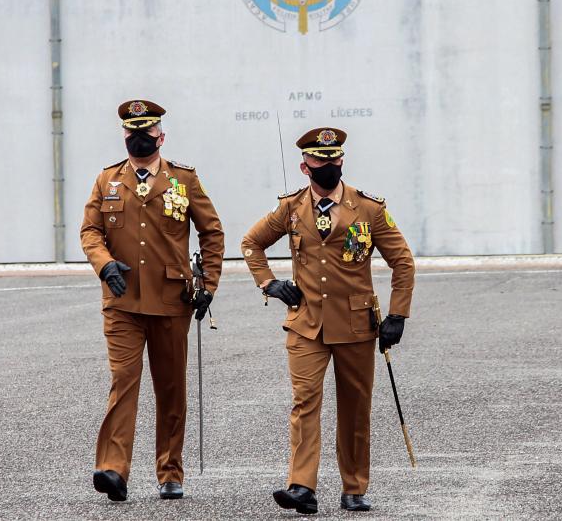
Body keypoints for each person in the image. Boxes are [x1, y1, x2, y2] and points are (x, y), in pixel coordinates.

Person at [240, 127, 415, 514]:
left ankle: (354, 487)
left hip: (355, 325)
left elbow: (402, 261)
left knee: (355, 408)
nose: (329, 165)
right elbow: (251, 243)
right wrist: (269, 283)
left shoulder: (368, 208)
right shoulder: (290, 208)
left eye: (335, 158)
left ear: (342, 160)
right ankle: (302, 486)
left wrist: (398, 314)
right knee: (304, 403)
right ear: (305, 167)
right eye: (320, 160)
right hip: (306, 323)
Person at [80, 99, 224, 501]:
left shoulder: (184, 180)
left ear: (161, 136)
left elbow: (212, 232)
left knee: (171, 388)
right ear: (124, 136)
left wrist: (208, 283)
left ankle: (170, 471)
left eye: (147, 131)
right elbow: (90, 231)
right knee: (123, 381)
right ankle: (113, 469)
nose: (140, 137)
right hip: (122, 301)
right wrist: (104, 264)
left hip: (171, 301)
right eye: (133, 132)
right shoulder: (107, 180)